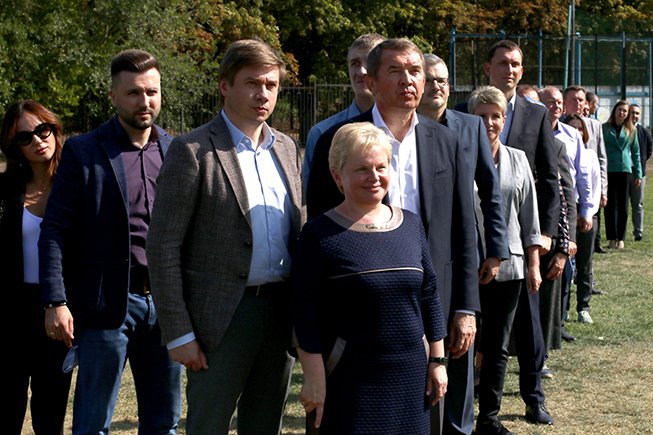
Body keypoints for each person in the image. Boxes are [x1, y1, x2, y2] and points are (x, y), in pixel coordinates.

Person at [306, 38, 478, 435]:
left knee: (432, 416)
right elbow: (320, 232)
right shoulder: (339, 139)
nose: (408, 80)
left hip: (431, 310)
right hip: (357, 321)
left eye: (415, 71)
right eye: (396, 71)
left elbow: (464, 229)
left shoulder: (446, 141)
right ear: (371, 80)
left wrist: (466, 307)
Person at [147, 39, 305, 434]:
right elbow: (163, 247)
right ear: (224, 85)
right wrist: (179, 332)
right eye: (252, 83)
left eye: (271, 85)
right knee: (208, 426)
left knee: (265, 425)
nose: (263, 94)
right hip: (219, 321)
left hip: (279, 312)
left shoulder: (286, 148)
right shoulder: (192, 150)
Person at [39, 49, 182, 434]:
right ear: (113, 96)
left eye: (152, 91)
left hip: (166, 307)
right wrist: (56, 301)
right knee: (92, 425)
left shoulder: (176, 151)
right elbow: (54, 230)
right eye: (134, 92)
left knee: (164, 422)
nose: (145, 101)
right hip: (105, 306)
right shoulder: (84, 151)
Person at [293, 122, 447, 434]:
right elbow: (303, 312)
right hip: (349, 379)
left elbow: (430, 293)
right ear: (338, 176)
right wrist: (314, 377)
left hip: (411, 377)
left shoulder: (411, 225)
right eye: (362, 169)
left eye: (381, 166)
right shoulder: (319, 233)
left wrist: (438, 361)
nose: (374, 177)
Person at [417, 53, 508, 435]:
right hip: (417, 250)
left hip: (461, 255)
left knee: (460, 346)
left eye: (443, 79)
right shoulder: (404, 130)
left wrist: (496, 250)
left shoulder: (469, 126)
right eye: (429, 79)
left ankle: (459, 427)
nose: (436, 86)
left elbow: (490, 192)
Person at [469, 86, 542, 435]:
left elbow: (530, 215)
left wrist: (533, 263)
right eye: (481, 116)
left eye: (495, 116)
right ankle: (458, 413)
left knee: (497, 346)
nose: (489, 122)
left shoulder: (517, 159)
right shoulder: (460, 155)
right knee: (464, 342)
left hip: (511, 266)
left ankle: (489, 417)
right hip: (468, 265)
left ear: (504, 119)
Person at [1, 100, 71, 435]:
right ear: (14, 145)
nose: (37, 141)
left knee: (50, 413)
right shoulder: (5, 190)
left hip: (59, 311)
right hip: (10, 313)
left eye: (42, 130)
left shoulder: (75, 185)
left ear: (54, 129)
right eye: (24, 137)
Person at [303, 33, 385, 185]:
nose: (362, 71)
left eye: (369, 62)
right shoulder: (322, 134)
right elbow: (313, 196)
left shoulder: (409, 132)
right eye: (355, 63)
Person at [562, 113, 602, 325]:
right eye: (573, 128)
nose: (577, 132)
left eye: (580, 128)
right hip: (566, 212)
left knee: (585, 263)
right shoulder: (561, 150)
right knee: (565, 264)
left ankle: (583, 306)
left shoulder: (590, 155)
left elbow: (594, 187)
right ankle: (563, 307)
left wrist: (588, 213)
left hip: (586, 213)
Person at [563, 86, 608, 254]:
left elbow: (602, 158)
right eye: (573, 99)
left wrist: (603, 190)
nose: (577, 103)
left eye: (581, 100)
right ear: (565, 102)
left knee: (587, 243)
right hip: (568, 194)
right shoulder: (556, 125)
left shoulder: (594, 126)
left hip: (590, 192)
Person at [603, 100, 642, 250]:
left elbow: (636, 152)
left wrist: (638, 173)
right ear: (615, 111)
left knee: (623, 205)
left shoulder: (632, 130)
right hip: (609, 169)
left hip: (625, 170)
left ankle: (621, 238)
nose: (622, 113)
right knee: (610, 205)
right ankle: (611, 238)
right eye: (620, 110)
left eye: (625, 111)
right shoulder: (605, 128)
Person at [628, 103, 652, 241]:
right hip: (623, 172)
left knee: (638, 204)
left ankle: (638, 232)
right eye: (632, 112)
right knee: (622, 205)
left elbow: (648, 151)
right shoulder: (622, 130)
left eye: (637, 113)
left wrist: (640, 165)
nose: (634, 115)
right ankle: (619, 234)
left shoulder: (644, 132)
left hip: (639, 173)